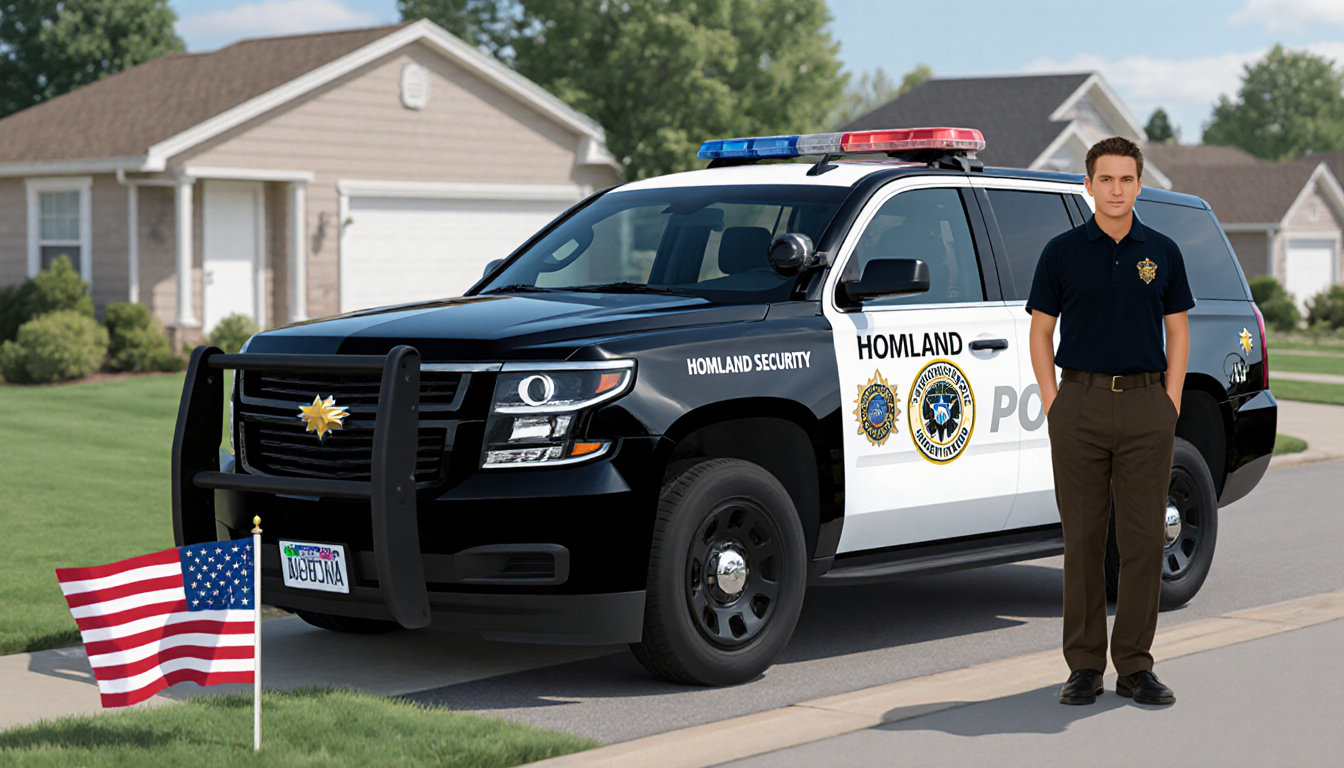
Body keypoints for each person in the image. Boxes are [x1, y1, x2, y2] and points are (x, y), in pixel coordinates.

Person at [1025, 136, 1195, 707]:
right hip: (1080, 406)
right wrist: (1054, 402)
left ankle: (1135, 667)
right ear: (1088, 184)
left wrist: (1170, 400)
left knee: (1144, 540)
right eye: (1106, 179)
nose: (1116, 190)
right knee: (1084, 541)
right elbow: (1041, 331)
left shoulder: (1165, 252)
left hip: (1148, 406)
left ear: (1139, 185)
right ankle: (1083, 668)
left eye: (1126, 180)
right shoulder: (1061, 252)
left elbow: (1178, 331)